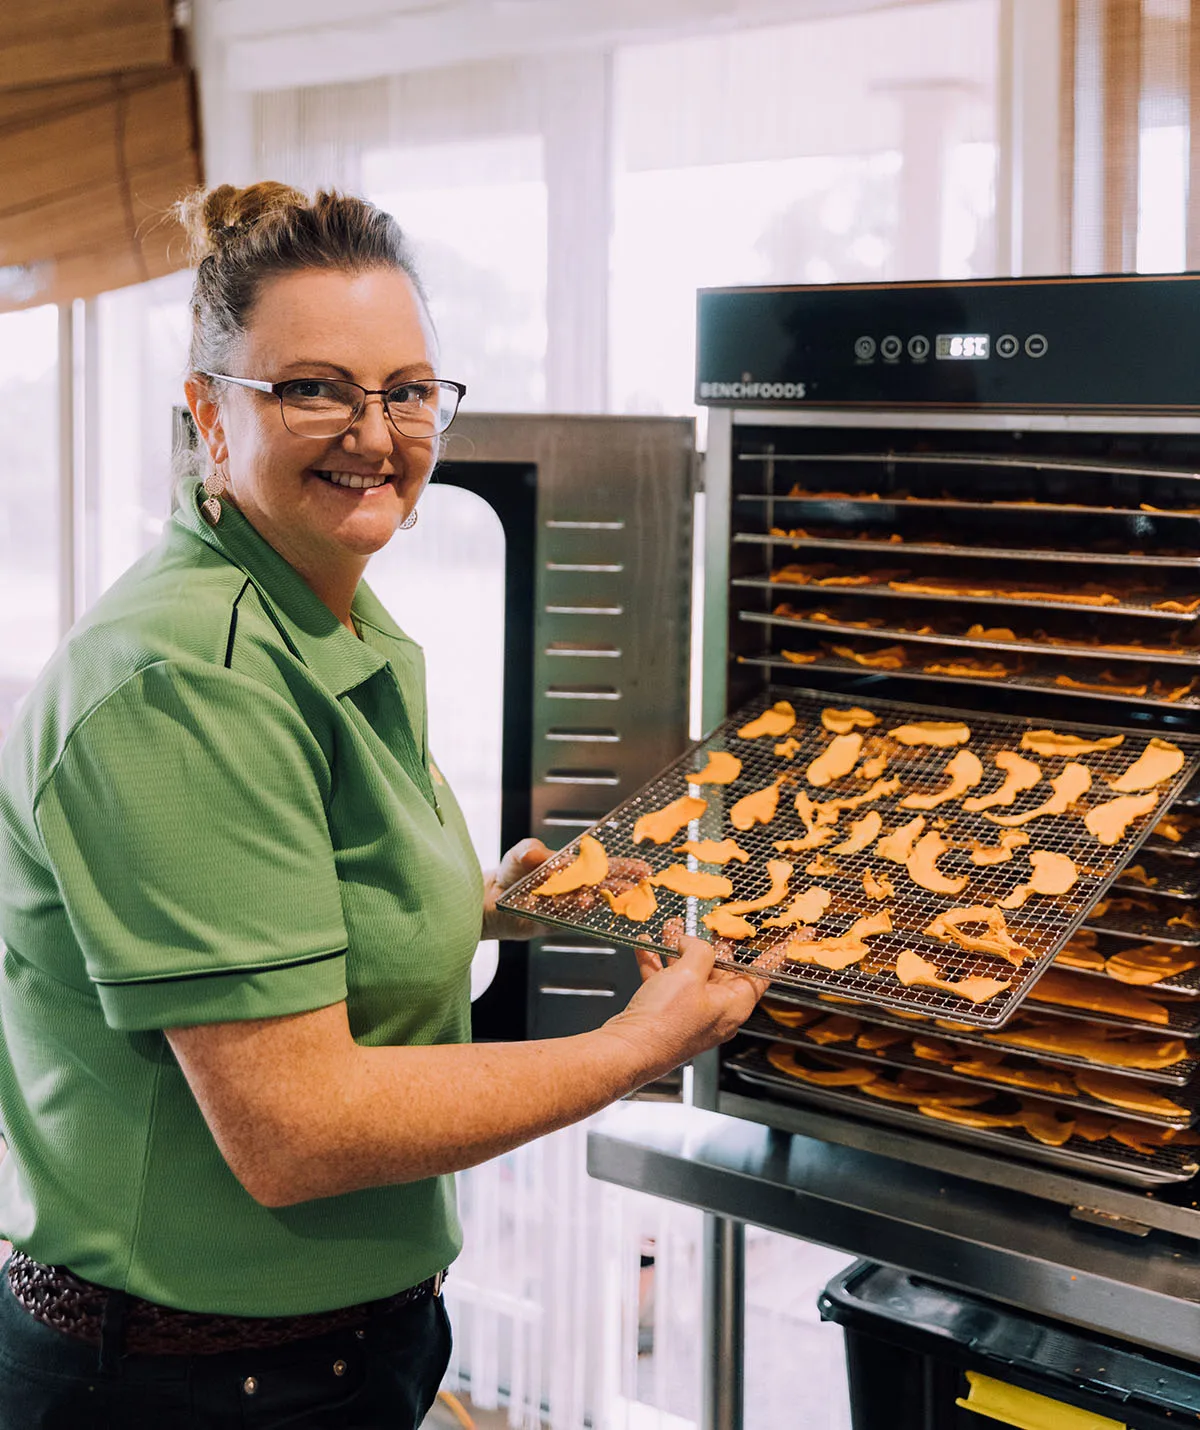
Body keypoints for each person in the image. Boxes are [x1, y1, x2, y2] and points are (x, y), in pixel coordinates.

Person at [0, 182, 769, 1429]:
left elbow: (288, 909)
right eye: (314, 387)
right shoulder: (181, 681)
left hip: (340, 1351)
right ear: (207, 412)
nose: (376, 431)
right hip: (179, 1385)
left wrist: (494, 903)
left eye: (408, 390)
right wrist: (633, 1046)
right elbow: (294, 1128)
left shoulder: (333, 610)